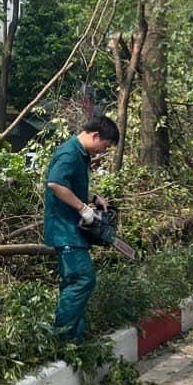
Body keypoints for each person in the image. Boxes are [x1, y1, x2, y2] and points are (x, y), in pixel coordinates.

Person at [43, 115, 120, 342]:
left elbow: (71, 186)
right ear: (95, 136)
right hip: (64, 229)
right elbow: (55, 183)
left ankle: (75, 338)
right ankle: (64, 338)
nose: (102, 152)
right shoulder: (69, 154)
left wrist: (93, 198)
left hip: (72, 231)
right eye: (103, 146)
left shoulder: (80, 154)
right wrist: (83, 209)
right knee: (82, 279)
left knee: (73, 282)